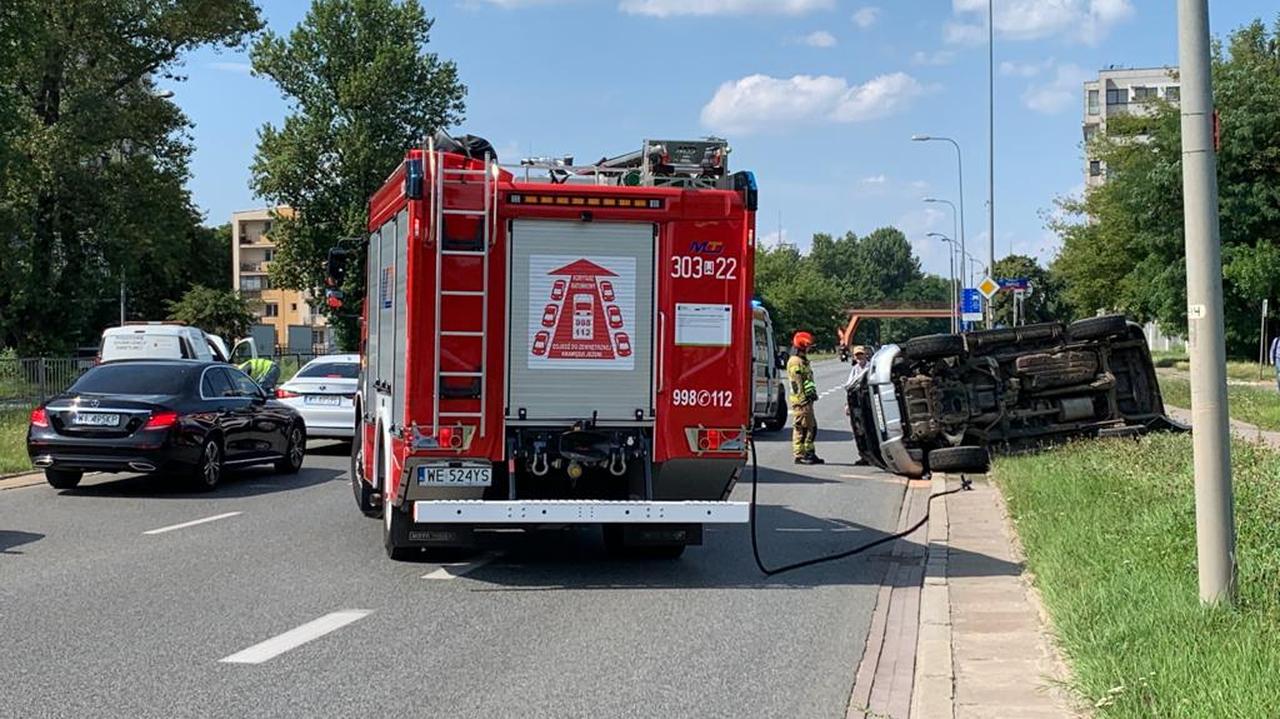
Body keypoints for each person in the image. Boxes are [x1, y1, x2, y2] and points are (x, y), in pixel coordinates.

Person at [787, 331, 824, 465]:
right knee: (802, 428)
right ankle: (800, 455)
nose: (810, 349)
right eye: (808, 347)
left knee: (811, 427)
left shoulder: (803, 361)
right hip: (801, 401)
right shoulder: (795, 362)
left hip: (807, 400)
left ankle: (810, 452)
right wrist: (802, 400)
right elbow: (796, 384)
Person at [844, 345, 872, 466]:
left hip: (868, 403)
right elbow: (849, 387)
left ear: (865, 354)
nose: (859, 357)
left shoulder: (871, 367)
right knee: (859, 430)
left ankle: (873, 454)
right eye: (857, 355)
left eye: (861, 354)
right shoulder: (855, 369)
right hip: (857, 403)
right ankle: (864, 455)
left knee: (869, 429)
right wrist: (847, 405)